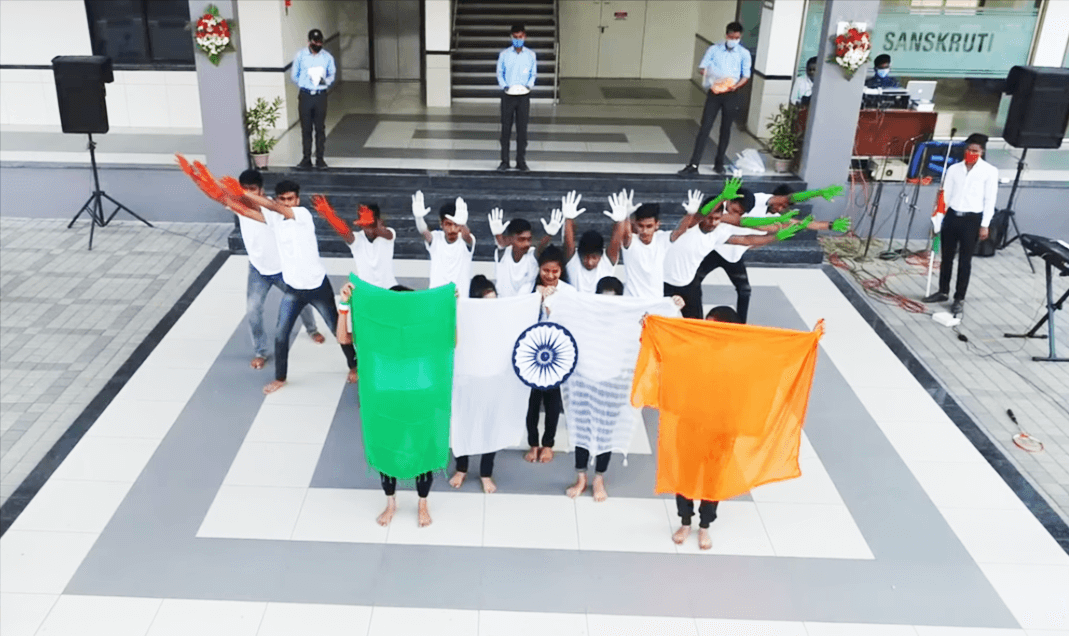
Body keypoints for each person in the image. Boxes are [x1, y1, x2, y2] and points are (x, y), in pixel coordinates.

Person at [228, 180, 357, 394]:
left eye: (291, 199)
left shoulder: (303, 215)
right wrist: (222, 193)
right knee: (281, 334)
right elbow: (251, 213)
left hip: (318, 287)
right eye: (283, 199)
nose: (287, 203)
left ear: (297, 199)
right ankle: (280, 378)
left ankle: (354, 366)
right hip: (294, 291)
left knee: (337, 330)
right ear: (278, 198)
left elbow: (271, 207)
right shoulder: (275, 220)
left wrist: (242, 192)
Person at [335, 283, 434, 527]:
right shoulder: (376, 333)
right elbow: (343, 338)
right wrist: (344, 304)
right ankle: (391, 503)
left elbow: (451, 340)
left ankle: (423, 503)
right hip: (386, 402)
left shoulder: (420, 331)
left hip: (418, 400)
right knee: (386, 453)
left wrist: (453, 306)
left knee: (422, 453)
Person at [695, 184, 849, 323]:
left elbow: (799, 224)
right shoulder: (759, 200)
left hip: (735, 254)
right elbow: (789, 199)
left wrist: (829, 225)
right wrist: (818, 192)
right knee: (694, 282)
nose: (781, 208)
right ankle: (695, 320)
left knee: (745, 291)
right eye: (781, 204)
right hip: (716, 250)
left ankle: (740, 326)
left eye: (785, 207)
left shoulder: (777, 217)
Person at [664, 188, 807, 319]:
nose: (713, 222)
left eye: (717, 219)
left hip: (688, 284)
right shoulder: (691, 225)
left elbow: (745, 239)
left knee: (697, 325)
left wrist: (775, 237)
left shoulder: (719, 232)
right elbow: (702, 214)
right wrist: (721, 197)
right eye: (710, 218)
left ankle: (740, 327)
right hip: (663, 281)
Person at [236, 169, 324, 370]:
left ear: (261, 190)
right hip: (258, 269)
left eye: (253, 190)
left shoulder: (271, 208)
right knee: (253, 310)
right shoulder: (238, 204)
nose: (248, 193)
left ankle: (312, 329)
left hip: (283, 267)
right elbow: (221, 195)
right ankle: (260, 351)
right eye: (245, 190)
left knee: (301, 299)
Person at [671, 304, 742, 550]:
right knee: (686, 475)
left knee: (712, 477)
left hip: (721, 427)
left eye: (714, 326)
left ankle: (705, 526)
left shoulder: (739, 357)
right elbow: (668, 351)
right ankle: (685, 521)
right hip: (691, 421)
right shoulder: (693, 349)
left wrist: (813, 337)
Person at [922, 133, 998, 315]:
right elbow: (945, 194)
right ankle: (943, 291)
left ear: (982, 152)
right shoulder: (954, 169)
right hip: (952, 216)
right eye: (968, 149)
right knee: (946, 257)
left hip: (972, 219)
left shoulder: (989, 171)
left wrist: (985, 224)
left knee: (965, 260)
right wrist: (938, 218)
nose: (971, 153)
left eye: (975, 150)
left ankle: (959, 298)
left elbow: (990, 199)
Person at [450, 274, 502, 494]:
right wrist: (453, 305)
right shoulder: (464, 318)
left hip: (492, 381)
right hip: (467, 381)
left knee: (489, 428)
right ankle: (461, 468)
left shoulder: (502, 321)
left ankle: (485, 473)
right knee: (463, 425)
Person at [678, 22, 751, 176]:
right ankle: (693, 164)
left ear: (740, 37)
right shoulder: (714, 49)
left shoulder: (743, 53)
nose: (734, 40)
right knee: (705, 127)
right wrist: (712, 74)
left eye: (737, 38)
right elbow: (702, 67)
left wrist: (736, 86)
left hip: (731, 93)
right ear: (726, 35)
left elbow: (746, 75)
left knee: (725, 129)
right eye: (731, 37)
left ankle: (719, 163)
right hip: (714, 92)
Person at [525, 245, 575, 464]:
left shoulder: (569, 292)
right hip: (532, 354)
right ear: (539, 269)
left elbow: (572, 320)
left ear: (561, 271)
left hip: (556, 356)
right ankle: (533, 443)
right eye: (546, 271)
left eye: (555, 271)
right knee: (532, 401)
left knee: (553, 401)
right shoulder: (530, 289)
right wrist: (536, 297)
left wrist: (550, 305)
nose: (550, 276)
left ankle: (548, 444)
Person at [314, 200, 399, 290]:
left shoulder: (388, 235)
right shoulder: (358, 239)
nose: (367, 229)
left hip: (388, 291)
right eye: (364, 225)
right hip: (366, 292)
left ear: (379, 222)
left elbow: (386, 233)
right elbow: (345, 232)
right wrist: (329, 215)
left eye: (370, 225)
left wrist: (374, 223)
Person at [412, 190, 476, 297]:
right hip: (436, 299)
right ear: (441, 224)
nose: (452, 229)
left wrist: (463, 224)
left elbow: (467, 237)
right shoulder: (436, 239)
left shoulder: (465, 241)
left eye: (456, 224)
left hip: (459, 299)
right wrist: (419, 218)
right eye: (448, 224)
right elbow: (424, 232)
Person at [488, 205, 562, 296]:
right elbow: (501, 245)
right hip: (503, 305)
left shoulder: (532, 256)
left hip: (525, 306)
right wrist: (497, 234)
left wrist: (549, 235)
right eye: (521, 239)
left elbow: (540, 247)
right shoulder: (503, 255)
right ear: (510, 239)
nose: (527, 243)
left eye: (529, 239)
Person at [291, 29, 335, 169]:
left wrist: (324, 83)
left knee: (320, 128)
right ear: (309, 42)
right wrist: (305, 83)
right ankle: (306, 158)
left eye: (320, 41)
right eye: (315, 41)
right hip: (305, 95)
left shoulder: (327, 57)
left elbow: (332, 74)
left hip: (320, 96)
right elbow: (294, 75)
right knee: (306, 128)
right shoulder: (301, 56)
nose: (318, 44)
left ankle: (320, 159)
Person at [497, 23, 536, 172]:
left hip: (523, 96)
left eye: (520, 37)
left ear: (524, 37)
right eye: (515, 37)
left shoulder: (531, 55)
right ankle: (504, 161)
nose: (518, 40)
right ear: (511, 37)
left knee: (522, 130)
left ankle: (521, 161)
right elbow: (500, 73)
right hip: (508, 95)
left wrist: (528, 86)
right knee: (506, 130)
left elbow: (533, 74)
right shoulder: (504, 55)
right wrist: (505, 86)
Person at [560, 191, 617, 293]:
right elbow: (568, 242)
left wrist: (620, 220)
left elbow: (616, 242)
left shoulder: (606, 263)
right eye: (586, 257)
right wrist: (568, 219)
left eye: (594, 257)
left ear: (601, 255)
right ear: (579, 254)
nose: (590, 262)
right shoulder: (574, 262)